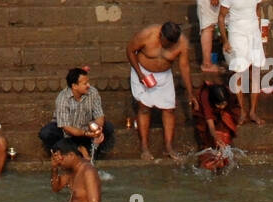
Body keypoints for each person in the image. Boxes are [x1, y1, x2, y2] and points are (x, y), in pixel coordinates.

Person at [127, 20, 197, 159]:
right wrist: (140, 75)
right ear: (160, 35)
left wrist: (190, 92)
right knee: (144, 108)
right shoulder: (147, 34)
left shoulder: (182, 43)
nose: (168, 46)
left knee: (169, 110)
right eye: (166, 43)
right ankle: (145, 148)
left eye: (172, 44)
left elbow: (184, 67)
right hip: (142, 71)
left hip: (164, 76)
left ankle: (169, 147)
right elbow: (130, 51)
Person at [218, 0, 266, 125]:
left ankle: (253, 111)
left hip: (254, 34)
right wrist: (225, 40)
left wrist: (261, 31)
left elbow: (258, 11)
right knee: (239, 72)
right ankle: (242, 110)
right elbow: (221, 17)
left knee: (256, 73)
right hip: (237, 35)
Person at [39, 67, 114, 158]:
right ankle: (68, 150)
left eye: (88, 82)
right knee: (46, 133)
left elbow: (99, 116)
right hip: (67, 134)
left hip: (87, 130)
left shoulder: (93, 92)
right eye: (85, 83)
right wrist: (85, 133)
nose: (88, 85)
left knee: (108, 127)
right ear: (74, 86)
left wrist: (97, 130)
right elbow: (67, 128)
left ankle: (92, 151)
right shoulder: (63, 98)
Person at [195, 82, 244, 170]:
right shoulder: (205, 97)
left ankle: (223, 159)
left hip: (225, 114)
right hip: (207, 119)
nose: (222, 107)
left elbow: (234, 108)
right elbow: (210, 125)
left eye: (224, 104)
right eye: (219, 105)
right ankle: (211, 161)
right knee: (210, 140)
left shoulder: (228, 94)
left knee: (224, 133)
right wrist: (216, 138)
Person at [50, 137, 100, 202]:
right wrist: (54, 168)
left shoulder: (88, 172)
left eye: (60, 159)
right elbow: (56, 188)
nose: (58, 162)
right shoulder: (71, 171)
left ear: (71, 155)